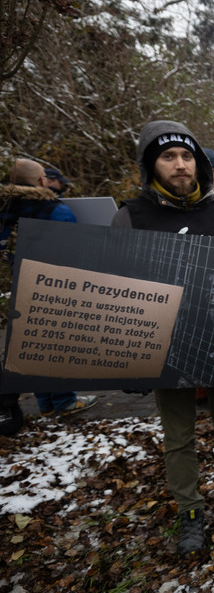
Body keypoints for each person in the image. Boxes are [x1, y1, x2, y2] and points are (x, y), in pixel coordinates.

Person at [111, 121, 214, 556]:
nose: (180, 164)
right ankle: (190, 510)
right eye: (167, 156)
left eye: (186, 156)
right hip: (167, 344)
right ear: (150, 165)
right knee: (178, 434)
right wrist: (123, 353)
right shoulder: (132, 216)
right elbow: (114, 282)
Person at [1, 159, 97, 418]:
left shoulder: (4, 207)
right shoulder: (54, 209)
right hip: (55, 283)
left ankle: (46, 404)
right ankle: (65, 401)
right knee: (59, 341)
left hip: (19, 282)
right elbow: (74, 251)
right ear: (41, 181)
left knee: (31, 342)